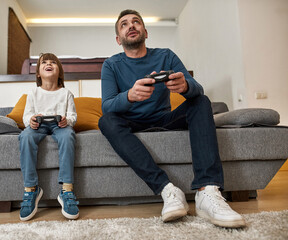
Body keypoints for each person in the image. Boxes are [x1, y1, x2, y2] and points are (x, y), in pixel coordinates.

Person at [98, 9, 246, 228]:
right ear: (118, 39)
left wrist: (185, 86)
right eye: (124, 24)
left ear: (145, 32)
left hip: (164, 120)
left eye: (136, 22)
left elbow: (198, 88)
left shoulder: (165, 56)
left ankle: (207, 191)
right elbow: (107, 106)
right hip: (132, 123)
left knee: (201, 101)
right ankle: (167, 189)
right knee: (106, 121)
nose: (131, 26)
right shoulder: (111, 65)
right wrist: (129, 96)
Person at [19, 53, 79, 221]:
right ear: (38, 73)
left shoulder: (66, 93)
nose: (49, 64)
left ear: (59, 72)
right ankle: (31, 189)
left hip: (59, 125)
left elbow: (72, 116)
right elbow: (26, 117)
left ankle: (67, 190)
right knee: (25, 137)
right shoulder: (33, 93)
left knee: (68, 136)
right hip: (38, 125)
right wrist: (30, 121)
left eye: (53, 62)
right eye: (44, 62)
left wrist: (67, 121)